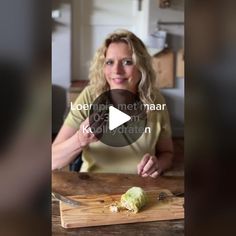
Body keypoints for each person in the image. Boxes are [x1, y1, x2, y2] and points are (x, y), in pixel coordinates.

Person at [52, 29, 173, 178]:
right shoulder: (90, 96)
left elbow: (167, 153)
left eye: (127, 62)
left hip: (139, 191)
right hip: (91, 190)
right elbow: (52, 160)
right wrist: (79, 140)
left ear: (142, 67)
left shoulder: (155, 99)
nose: (117, 70)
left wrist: (158, 165)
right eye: (109, 62)